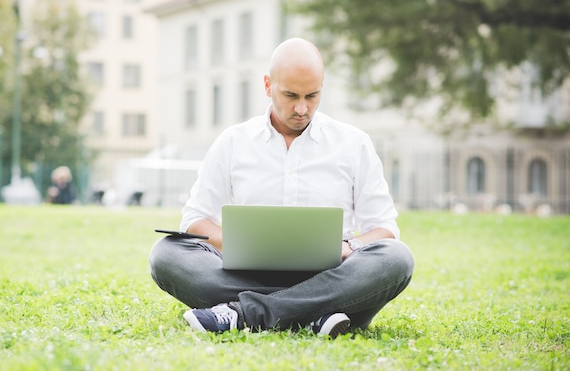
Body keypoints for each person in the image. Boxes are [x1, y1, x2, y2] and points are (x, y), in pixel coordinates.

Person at [148, 38, 414, 338]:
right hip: (250, 276)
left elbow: (384, 229)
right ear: (267, 85)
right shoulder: (233, 142)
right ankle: (317, 315)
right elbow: (195, 220)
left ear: (322, 86)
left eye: (312, 96)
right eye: (291, 95)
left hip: (332, 275)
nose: (302, 108)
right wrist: (240, 243)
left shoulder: (353, 143)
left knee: (397, 258)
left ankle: (243, 313)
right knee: (166, 254)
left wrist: (348, 247)